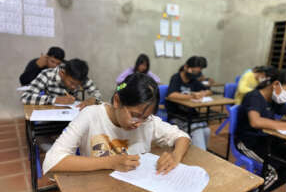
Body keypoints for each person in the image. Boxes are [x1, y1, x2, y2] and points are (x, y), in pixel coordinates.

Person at [42, 73, 190, 175]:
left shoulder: (148, 122)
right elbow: (52, 161)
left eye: (145, 117)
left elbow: (182, 136)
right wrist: (110, 162)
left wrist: (175, 156)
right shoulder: (91, 115)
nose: (138, 123)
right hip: (98, 190)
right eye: (134, 115)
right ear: (117, 101)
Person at [236, 69, 286, 192]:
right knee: (277, 173)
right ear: (276, 84)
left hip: (268, 141)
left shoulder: (275, 99)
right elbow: (255, 122)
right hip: (248, 142)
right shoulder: (254, 96)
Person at [166, 56, 212, 150]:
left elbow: (208, 90)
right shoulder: (176, 78)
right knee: (197, 129)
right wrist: (191, 96)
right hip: (177, 115)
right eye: (194, 71)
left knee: (206, 130)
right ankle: (200, 155)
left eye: (198, 72)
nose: (195, 74)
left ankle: (202, 153)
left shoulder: (193, 80)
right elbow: (171, 95)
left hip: (191, 115)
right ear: (186, 67)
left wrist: (202, 93)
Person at [21, 58, 102, 110]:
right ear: (62, 73)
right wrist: (55, 99)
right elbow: (25, 97)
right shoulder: (47, 74)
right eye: (71, 83)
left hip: (71, 113)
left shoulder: (81, 78)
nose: (74, 87)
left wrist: (93, 100)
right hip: (49, 113)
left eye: (78, 85)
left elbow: (97, 94)